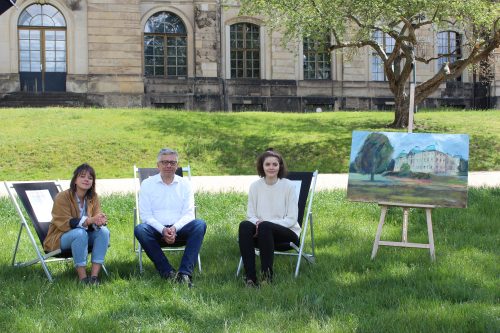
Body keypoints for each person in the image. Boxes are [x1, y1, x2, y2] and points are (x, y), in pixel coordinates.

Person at [134, 148, 206, 287]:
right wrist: (163, 230)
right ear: (158, 165)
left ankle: (185, 274)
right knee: (140, 229)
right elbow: (146, 215)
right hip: (156, 231)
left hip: (180, 229)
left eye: (172, 163)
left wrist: (174, 228)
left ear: (177, 165)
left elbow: (189, 214)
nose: (168, 165)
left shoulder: (185, 184)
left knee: (199, 224)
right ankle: (168, 273)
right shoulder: (147, 185)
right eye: (165, 162)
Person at [239, 149, 299, 287]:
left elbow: (291, 219)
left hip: (286, 232)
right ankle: (250, 278)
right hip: (261, 231)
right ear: (262, 166)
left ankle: (267, 277)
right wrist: (259, 223)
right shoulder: (255, 186)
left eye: (275, 164)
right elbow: (250, 215)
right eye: (268, 164)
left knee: (266, 226)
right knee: (244, 225)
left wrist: (266, 223)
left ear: (280, 166)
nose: (271, 167)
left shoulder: (289, 186)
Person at [43, 163, 110, 285]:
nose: (86, 180)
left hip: (84, 235)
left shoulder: (93, 197)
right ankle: (83, 279)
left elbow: (97, 215)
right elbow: (64, 222)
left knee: (104, 232)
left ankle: (94, 278)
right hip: (60, 237)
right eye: (82, 176)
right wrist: (90, 220)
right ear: (75, 180)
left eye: (90, 178)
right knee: (79, 233)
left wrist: (100, 221)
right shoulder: (62, 197)